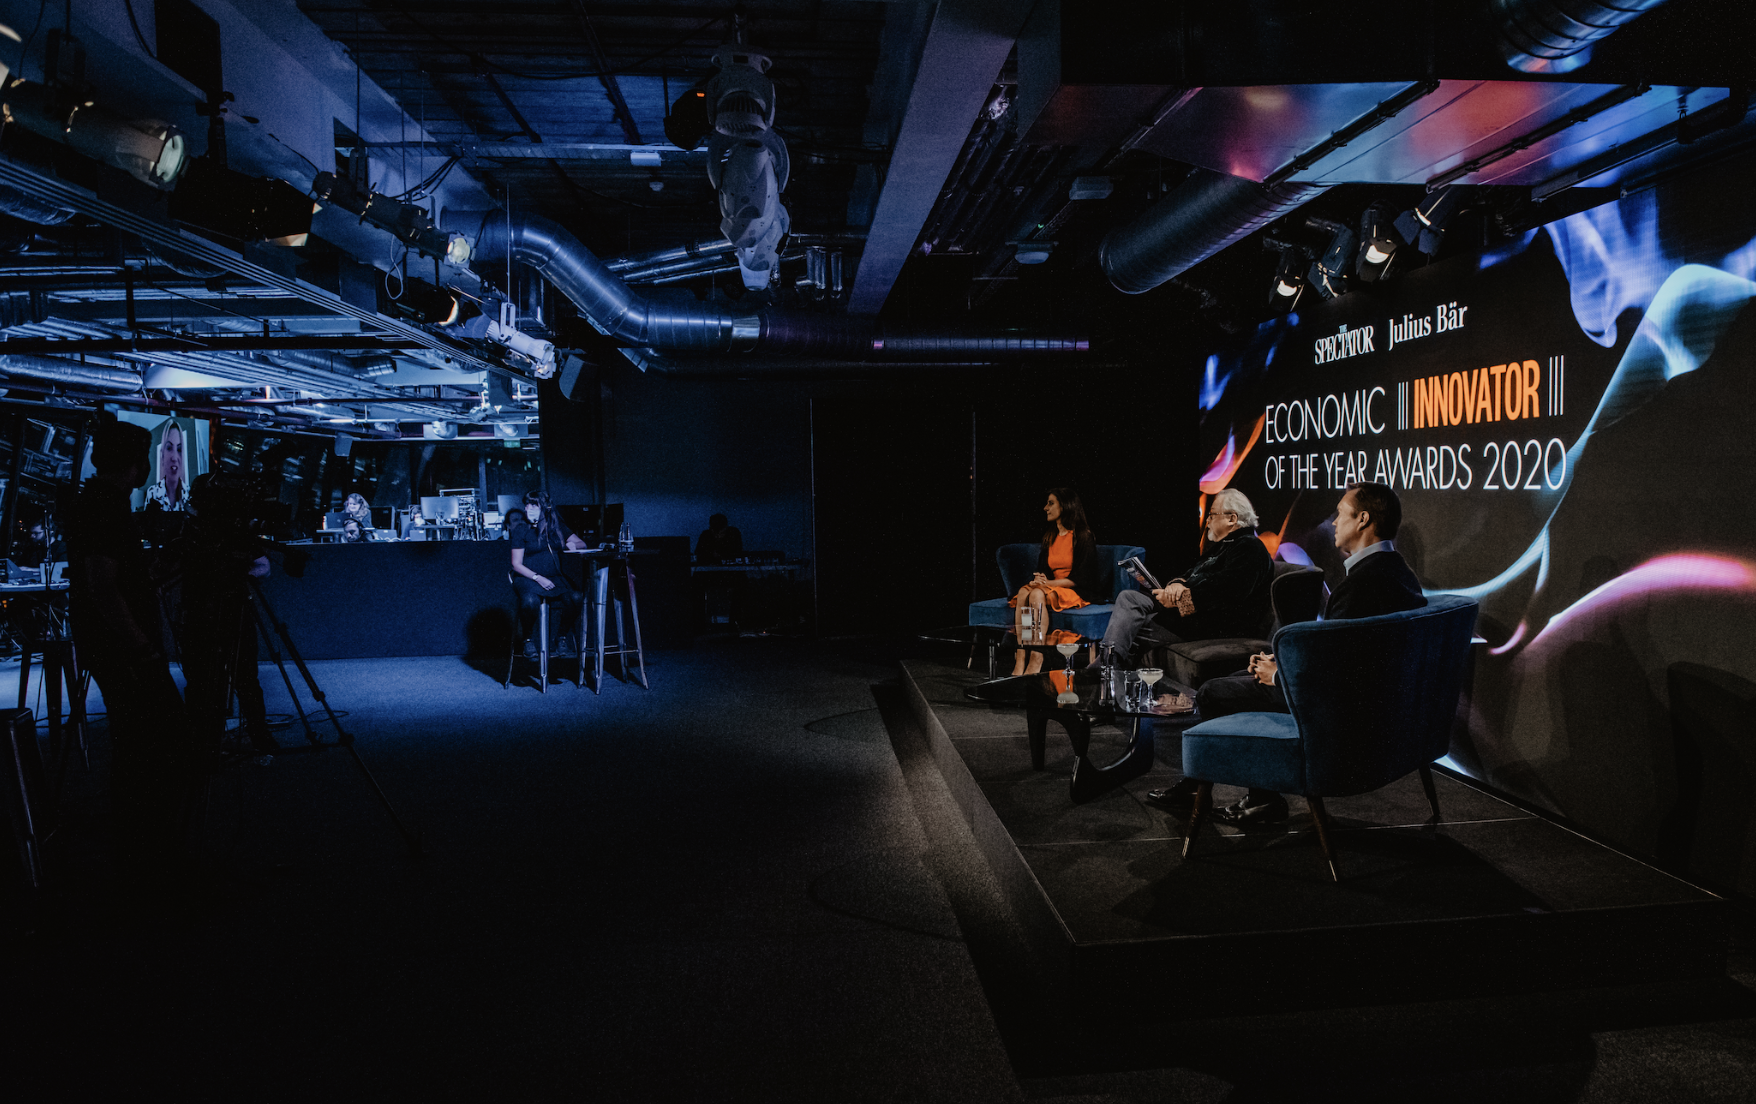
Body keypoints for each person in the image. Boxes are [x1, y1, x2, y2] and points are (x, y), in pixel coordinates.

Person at [1148, 482, 1427, 823]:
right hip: (1368, 708)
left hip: (1338, 717)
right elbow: (1347, 658)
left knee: (1213, 693)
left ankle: (1244, 795)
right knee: (1242, 676)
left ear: (1363, 520)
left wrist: (1279, 676)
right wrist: (1280, 664)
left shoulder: (1363, 586)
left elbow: (1337, 675)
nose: (1334, 522)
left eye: (1340, 514)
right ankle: (1252, 796)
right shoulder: (1399, 574)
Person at [64, 420, 189, 885]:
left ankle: (140, 847)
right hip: (123, 650)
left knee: (139, 741)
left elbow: (115, 581)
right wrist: (142, 648)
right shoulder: (103, 507)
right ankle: (145, 850)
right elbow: (102, 588)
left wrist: (154, 570)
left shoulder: (100, 501)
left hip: (114, 645)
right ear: (135, 463)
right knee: (155, 739)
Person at [1099, 487, 1273, 666]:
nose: (1207, 521)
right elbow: (1190, 573)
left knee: (1128, 628)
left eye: (1212, 515)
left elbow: (1227, 589)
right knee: (1129, 598)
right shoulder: (1224, 546)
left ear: (1232, 518)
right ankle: (1107, 667)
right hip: (1188, 617)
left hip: (1214, 626)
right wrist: (1176, 585)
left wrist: (1179, 600)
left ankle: (1104, 669)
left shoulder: (1250, 548)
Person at [1008, 488, 1098, 676]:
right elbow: (1043, 569)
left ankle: (1037, 655)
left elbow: (1082, 578)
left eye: (1051, 503)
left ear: (1065, 505)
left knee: (1037, 593)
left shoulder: (1083, 536)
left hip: (1073, 588)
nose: (1045, 508)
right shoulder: (1050, 536)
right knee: (1024, 592)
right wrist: (1040, 579)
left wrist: (1047, 584)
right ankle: (1021, 654)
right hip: (1051, 586)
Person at [510, 490, 587, 660]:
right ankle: (528, 639)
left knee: (576, 597)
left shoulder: (556, 527)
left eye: (533, 505)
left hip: (554, 577)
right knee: (530, 601)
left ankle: (561, 637)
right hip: (528, 578)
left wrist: (574, 546)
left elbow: (581, 543)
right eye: (527, 504)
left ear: (545, 507)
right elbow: (516, 564)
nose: (528, 508)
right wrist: (538, 578)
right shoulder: (521, 530)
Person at [143, 420, 188, 511]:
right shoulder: (152, 493)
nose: (174, 458)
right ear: (162, 455)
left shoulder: (191, 494)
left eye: (179, 449)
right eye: (169, 448)